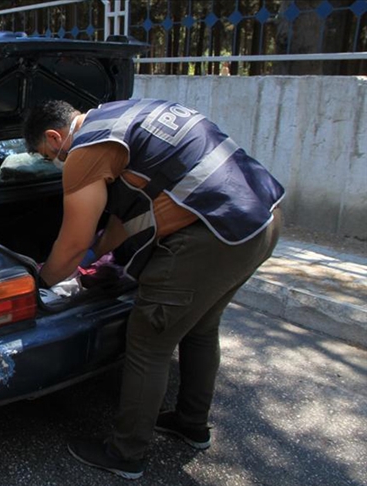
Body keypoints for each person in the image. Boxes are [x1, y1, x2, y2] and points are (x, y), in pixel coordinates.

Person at [23, 99, 285, 479]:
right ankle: (191, 423)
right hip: (262, 219)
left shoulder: (85, 149)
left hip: (213, 234)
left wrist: (41, 283)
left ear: (54, 137)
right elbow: (126, 219)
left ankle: (126, 453)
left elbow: (73, 243)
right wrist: (96, 253)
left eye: (51, 156)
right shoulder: (125, 115)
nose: (57, 162)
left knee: (148, 341)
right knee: (200, 326)